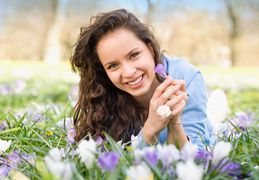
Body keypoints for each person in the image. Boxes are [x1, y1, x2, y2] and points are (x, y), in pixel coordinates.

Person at [70, 9, 213, 149]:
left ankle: (214, 112)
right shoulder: (106, 92)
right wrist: (150, 129)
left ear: (150, 48)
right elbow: (113, 161)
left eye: (134, 55)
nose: (129, 72)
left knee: (210, 122)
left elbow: (193, 159)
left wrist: (174, 122)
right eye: (113, 65)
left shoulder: (187, 78)